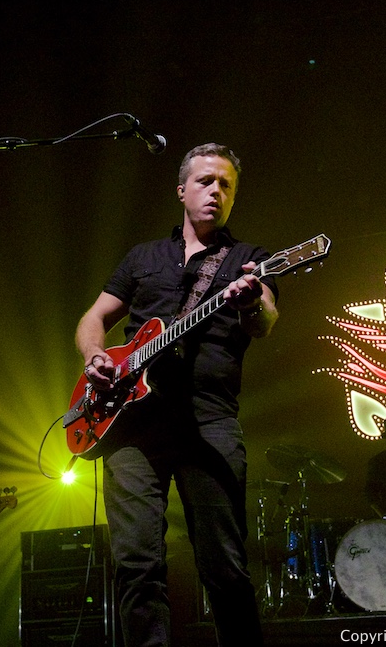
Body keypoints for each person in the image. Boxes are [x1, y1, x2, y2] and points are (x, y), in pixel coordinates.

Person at [75, 143, 278, 646]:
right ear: (182, 190)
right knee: (136, 565)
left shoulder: (249, 260)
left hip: (208, 422)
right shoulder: (144, 256)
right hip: (133, 426)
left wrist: (252, 303)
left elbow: (266, 322)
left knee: (224, 565)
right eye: (206, 181)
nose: (216, 192)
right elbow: (94, 318)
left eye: (226, 185)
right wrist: (95, 356)